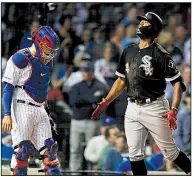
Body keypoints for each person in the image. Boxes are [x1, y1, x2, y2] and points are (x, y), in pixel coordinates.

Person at [91, 12, 191, 175]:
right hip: (132, 107)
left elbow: (177, 84)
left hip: (155, 107)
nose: (140, 24)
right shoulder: (128, 50)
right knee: (135, 155)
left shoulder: (161, 54)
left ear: (154, 29)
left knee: (170, 152)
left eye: (145, 23)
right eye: (141, 22)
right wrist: (106, 101)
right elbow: (121, 81)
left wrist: (174, 109)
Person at [2, 26, 61, 176]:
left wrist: (46, 111)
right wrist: (6, 114)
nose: (51, 54)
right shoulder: (20, 58)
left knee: (50, 152)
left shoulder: (47, 62)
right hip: (21, 104)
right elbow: (8, 88)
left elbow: (42, 89)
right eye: (48, 49)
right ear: (39, 43)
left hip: (39, 108)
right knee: (23, 151)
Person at [69, 61, 107, 172]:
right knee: (75, 149)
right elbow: (74, 101)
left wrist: (86, 100)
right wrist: (91, 101)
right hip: (77, 121)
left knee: (91, 150)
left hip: (92, 122)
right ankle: (74, 173)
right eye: (83, 71)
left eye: (87, 71)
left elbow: (99, 101)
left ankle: (91, 172)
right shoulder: (76, 86)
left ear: (92, 72)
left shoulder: (99, 85)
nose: (84, 73)